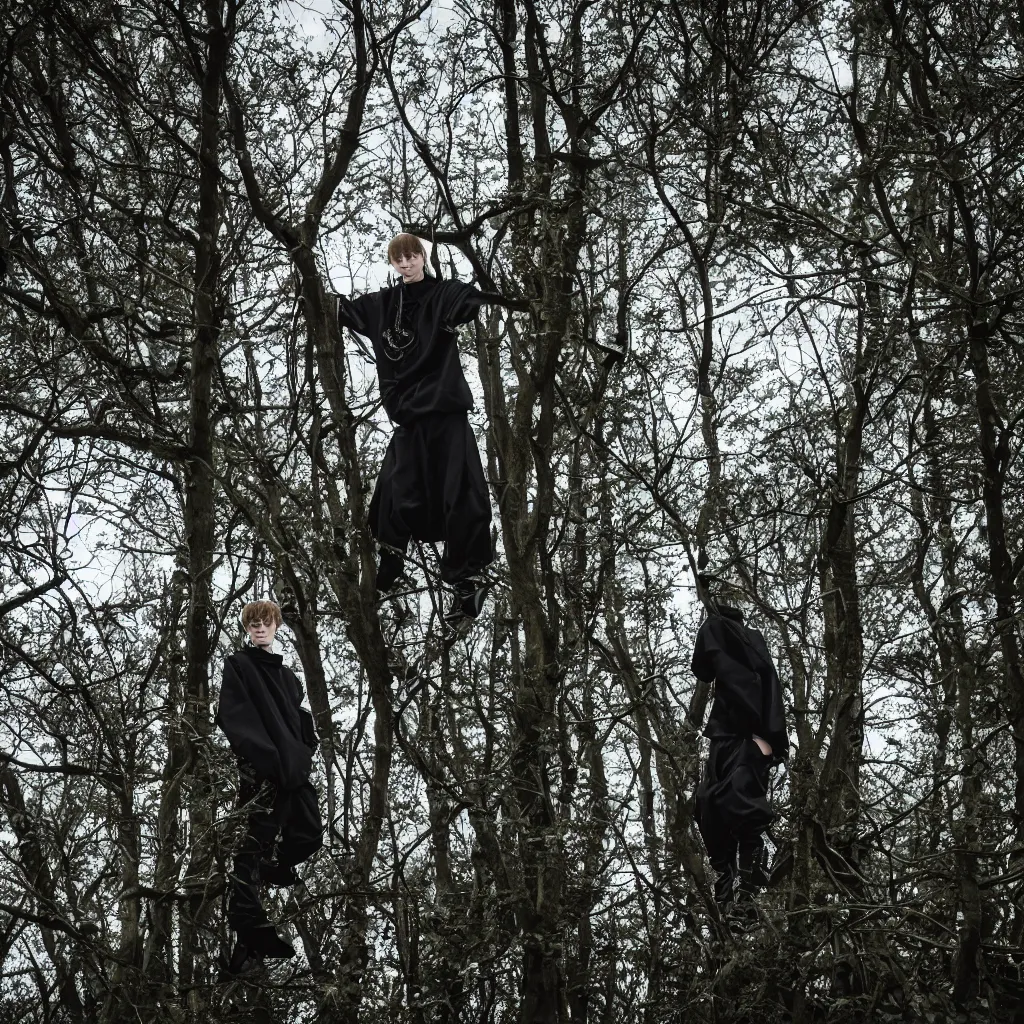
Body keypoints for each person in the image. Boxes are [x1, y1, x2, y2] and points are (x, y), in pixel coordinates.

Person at [335, 233, 522, 631]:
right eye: (398, 259)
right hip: (409, 418)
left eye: (411, 256)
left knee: (462, 490)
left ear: (423, 256)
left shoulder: (442, 293)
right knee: (393, 485)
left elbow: (469, 300)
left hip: (446, 412)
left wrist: (459, 313)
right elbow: (342, 311)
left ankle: (466, 582)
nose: (405, 264)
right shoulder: (385, 305)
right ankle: (390, 561)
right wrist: (309, 285)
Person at [215, 600, 323, 973]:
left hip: (294, 773)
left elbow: (300, 720)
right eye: (253, 623)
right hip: (263, 772)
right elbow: (233, 715)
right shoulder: (239, 665)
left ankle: (272, 866)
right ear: (247, 628)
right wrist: (265, 762)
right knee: (251, 844)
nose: (260, 628)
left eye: (266, 622)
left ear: (276, 625)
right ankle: (249, 936)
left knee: (310, 835)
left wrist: (304, 752)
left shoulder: (289, 677)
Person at [691, 597, 789, 924]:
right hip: (726, 736)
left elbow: (705, 668)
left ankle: (747, 892)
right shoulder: (722, 633)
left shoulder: (743, 637)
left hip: (752, 737)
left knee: (742, 803)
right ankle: (728, 889)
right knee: (707, 803)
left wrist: (768, 741)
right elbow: (703, 669)